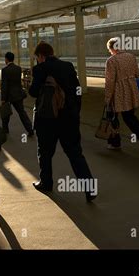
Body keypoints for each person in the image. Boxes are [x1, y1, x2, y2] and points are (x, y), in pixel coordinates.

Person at [29, 42, 96, 202]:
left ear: (41, 56)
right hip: (68, 119)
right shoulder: (67, 66)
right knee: (75, 153)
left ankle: (46, 182)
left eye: (37, 58)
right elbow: (77, 91)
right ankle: (90, 189)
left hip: (47, 120)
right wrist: (74, 112)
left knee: (45, 152)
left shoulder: (40, 69)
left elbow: (32, 92)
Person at [105, 38, 139, 152]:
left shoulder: (111, 61)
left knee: (113, 117)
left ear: (112, 48)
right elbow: (136, 73)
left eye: (109, 49)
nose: (109, 52)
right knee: (129, 117)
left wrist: (107, 98)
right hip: (131, 90)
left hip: (118, 93)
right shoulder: (131, 57)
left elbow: (110, 81)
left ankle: (115, 143)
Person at [1, 52, 33, 136]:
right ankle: (30, 129)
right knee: (22, 113)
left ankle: (5, 129)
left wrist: (3, 98)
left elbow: (4, 85)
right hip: (18, 94)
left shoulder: (5, 70)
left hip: (8, 96)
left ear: (6, 59)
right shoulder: (18, 68)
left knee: (6, 113)